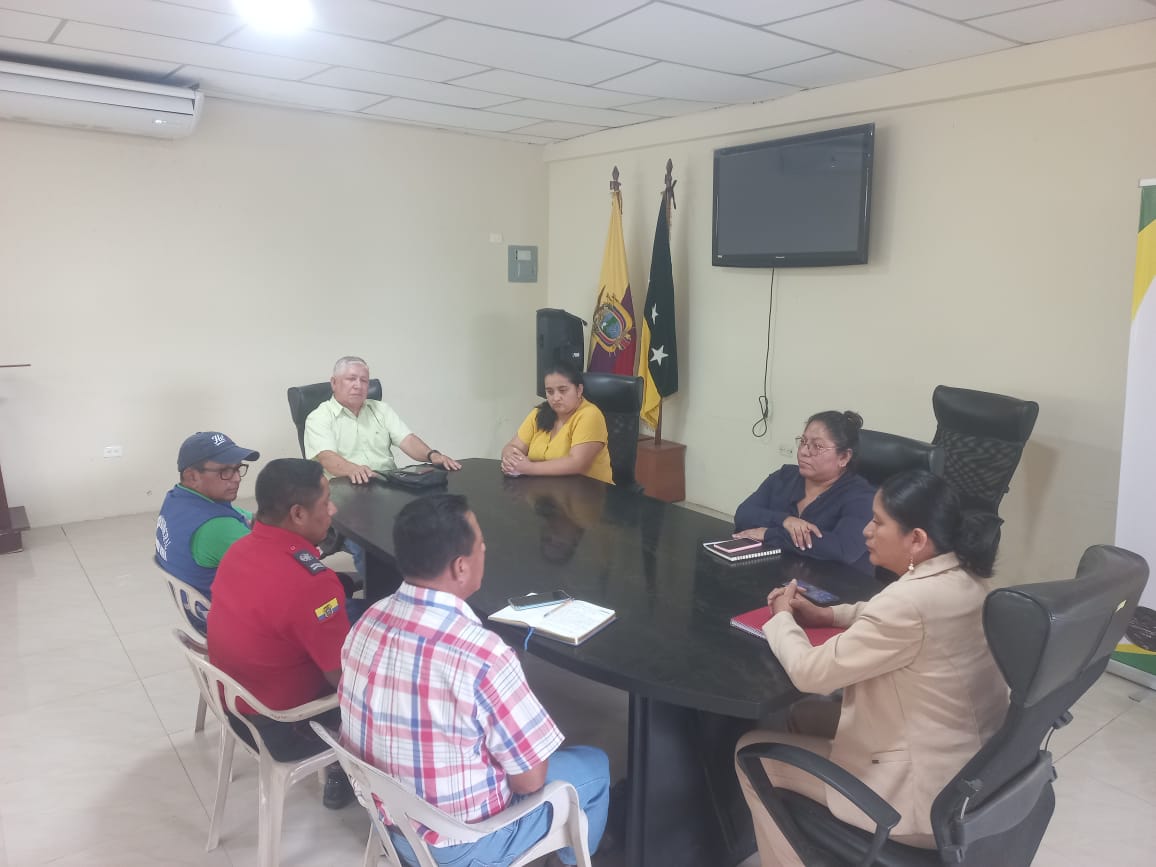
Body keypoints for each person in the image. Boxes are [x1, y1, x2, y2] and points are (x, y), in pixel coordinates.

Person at [735, 470, 1009, 866]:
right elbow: (890, 615)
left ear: (917, 539)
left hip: (919, 801)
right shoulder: (968, 579)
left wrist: (781, 618)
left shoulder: (909, 602)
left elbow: (810, 673)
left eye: (878, 522)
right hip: (968, 778)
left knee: (751, 753)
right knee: (804, 716)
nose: (866, 530)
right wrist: (830, 615)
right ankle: (815, 840)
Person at [339, 493, 611, 867]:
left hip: (390, 823)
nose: (486, 550)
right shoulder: (483, 655)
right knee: (595, 766)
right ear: (461, 567)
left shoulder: (368, 622)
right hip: (464, 847)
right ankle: (571, 856)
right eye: (481, 544)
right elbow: (530, 782)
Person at [207, 458, 359, 810]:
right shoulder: (314, 584)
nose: (333, 511)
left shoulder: (238, 550)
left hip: (234, 707)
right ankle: (355, 778)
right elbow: (343, 680)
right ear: (298, 514)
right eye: (326, 503)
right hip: (283, 728)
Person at [734, 410, 875, 574]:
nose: (803, 451)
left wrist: (769, 534)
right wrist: (785, 520)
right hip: (777, 572)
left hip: (834, 583)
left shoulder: (861, 496)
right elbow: (743, 514)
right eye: (803, 442)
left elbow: (842, 549)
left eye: (817, 446)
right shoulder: (784, 477)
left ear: (843, 457)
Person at [155, 431, 260, 632]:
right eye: (225, 471)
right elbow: (276, 563)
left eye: (238, 468)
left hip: (200, 611)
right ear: (192, 476)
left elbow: (247, 517)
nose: (237, 478)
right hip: (231, 624)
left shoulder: (177, 497)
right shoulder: (216, 527)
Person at [304, 355, 461, 485]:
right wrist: (353, 469)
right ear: (334, 383)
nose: (358, 385)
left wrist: (432, 455)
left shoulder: (381, 409)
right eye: (351, 379)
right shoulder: (319, 417)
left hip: (386, 483)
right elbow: (327, 457)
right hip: (345, 487)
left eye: (364, 380)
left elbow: (407, 440)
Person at [501, 362, 613, 485]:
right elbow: (513, 446)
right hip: (544, 489)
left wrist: (528, 468)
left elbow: (577, 463)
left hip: (588, 491)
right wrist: (510, 460)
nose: (555, 398)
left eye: (562, 390)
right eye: (550, 392)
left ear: (579, 390)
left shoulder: (590, 415)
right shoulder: (538, 413)